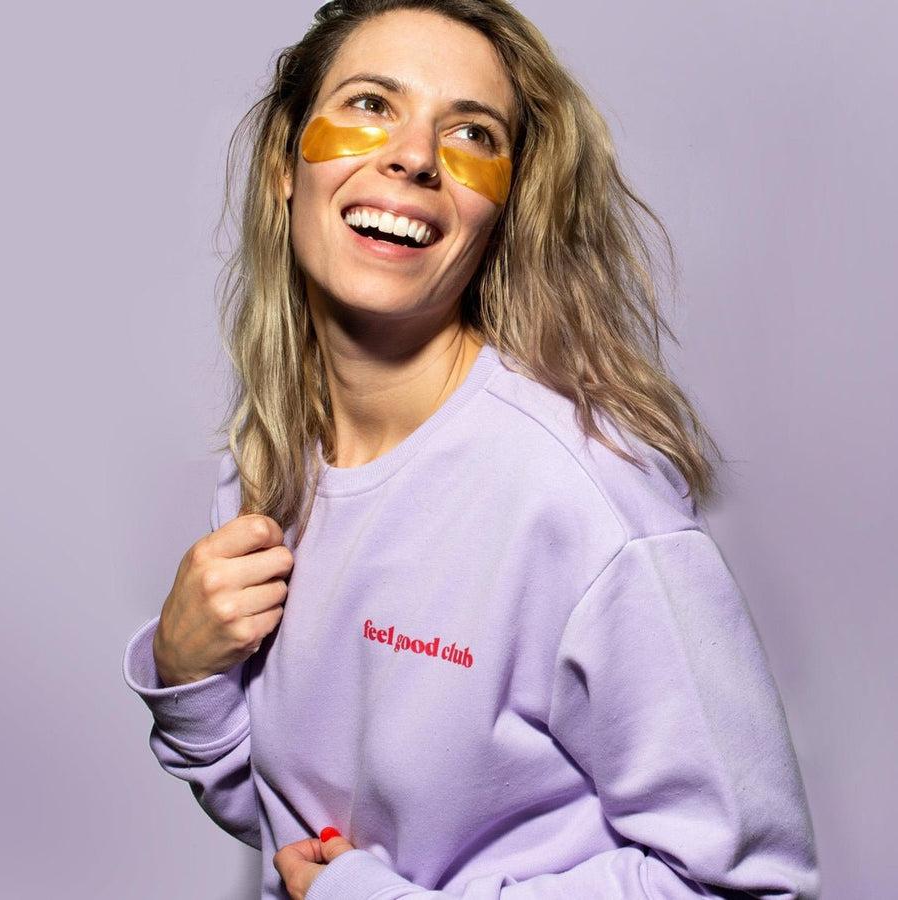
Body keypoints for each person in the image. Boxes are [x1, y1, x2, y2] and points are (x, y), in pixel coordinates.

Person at [121, 1, 821, 898]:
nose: (414, 155)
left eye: (471, 133)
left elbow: (748, 885)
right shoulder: (266, 467)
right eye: (371, 103)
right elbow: (298, 832)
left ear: (501, 212)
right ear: (282, 167)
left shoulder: (585, 500)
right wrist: (187, 678)